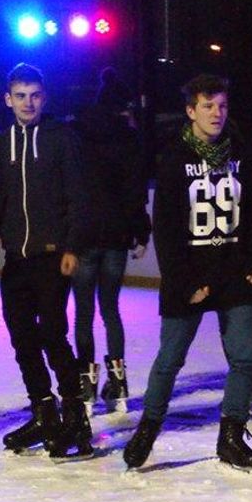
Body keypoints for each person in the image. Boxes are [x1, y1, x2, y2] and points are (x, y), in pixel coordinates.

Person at [121, 74, 252, 470]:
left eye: (221, 105)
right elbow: (166, 227)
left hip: (236, 273)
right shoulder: (174, 159)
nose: (216, 113)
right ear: (190, 111)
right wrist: (184, 281)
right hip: (190, 277)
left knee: (244, 358)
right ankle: (148, 429)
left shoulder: (242, 154)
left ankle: (232, 435)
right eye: (207, 106)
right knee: (170, 359)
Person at [0, 63, 93, 458]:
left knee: (54, 336)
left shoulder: (62, 139)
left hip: (50, 256)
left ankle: (75, 415)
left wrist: (72, 246)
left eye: (35, 95)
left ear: (44, 98)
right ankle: (44, 411)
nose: (28, 102)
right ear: (8, 100)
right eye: (20, 96)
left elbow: (78, 197)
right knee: (22, 337)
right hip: (16, 259)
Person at [70, 67, 151, 415]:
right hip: (116, 234)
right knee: (110, 309)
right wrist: (141, 231)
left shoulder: (78, 133)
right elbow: (135, 191)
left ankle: (86, 383)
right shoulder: (129, 139)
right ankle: (118, 383)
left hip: (85, 234)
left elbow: (69, 186)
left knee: (84, 312)